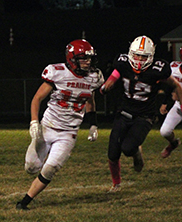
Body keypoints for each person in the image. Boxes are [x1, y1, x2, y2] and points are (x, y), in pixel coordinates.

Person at [16, 39, 104, 210]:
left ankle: (24, 202)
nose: (88, 62)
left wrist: (93, 123)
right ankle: (38, 160)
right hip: (47, 126)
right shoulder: (57, 72)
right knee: (31, 167)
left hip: (68, 132)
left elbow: (90, 100)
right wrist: (34, 122)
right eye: (83, 58)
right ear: (72, 59)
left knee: (51, 169)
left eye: (89, 58)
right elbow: (37, 98)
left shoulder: (94, 77)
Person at [100, 35, 182, 192]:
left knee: (128, 148)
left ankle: (136, 151)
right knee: (112, 152)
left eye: (143, 56)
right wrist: (108, 83)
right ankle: (116, 183)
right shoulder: (123, 62)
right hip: (124, 111)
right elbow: (117, 71)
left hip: (144, 116)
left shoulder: (158, 69)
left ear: (151, 57)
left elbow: (175, 85)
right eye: (136, 55)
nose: (138, 59)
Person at [159, 47, 182, 158]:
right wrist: (165, 102)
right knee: (165, 131)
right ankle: (173, 143)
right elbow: (170, 85)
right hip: (179, 106)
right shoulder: (174, 68)